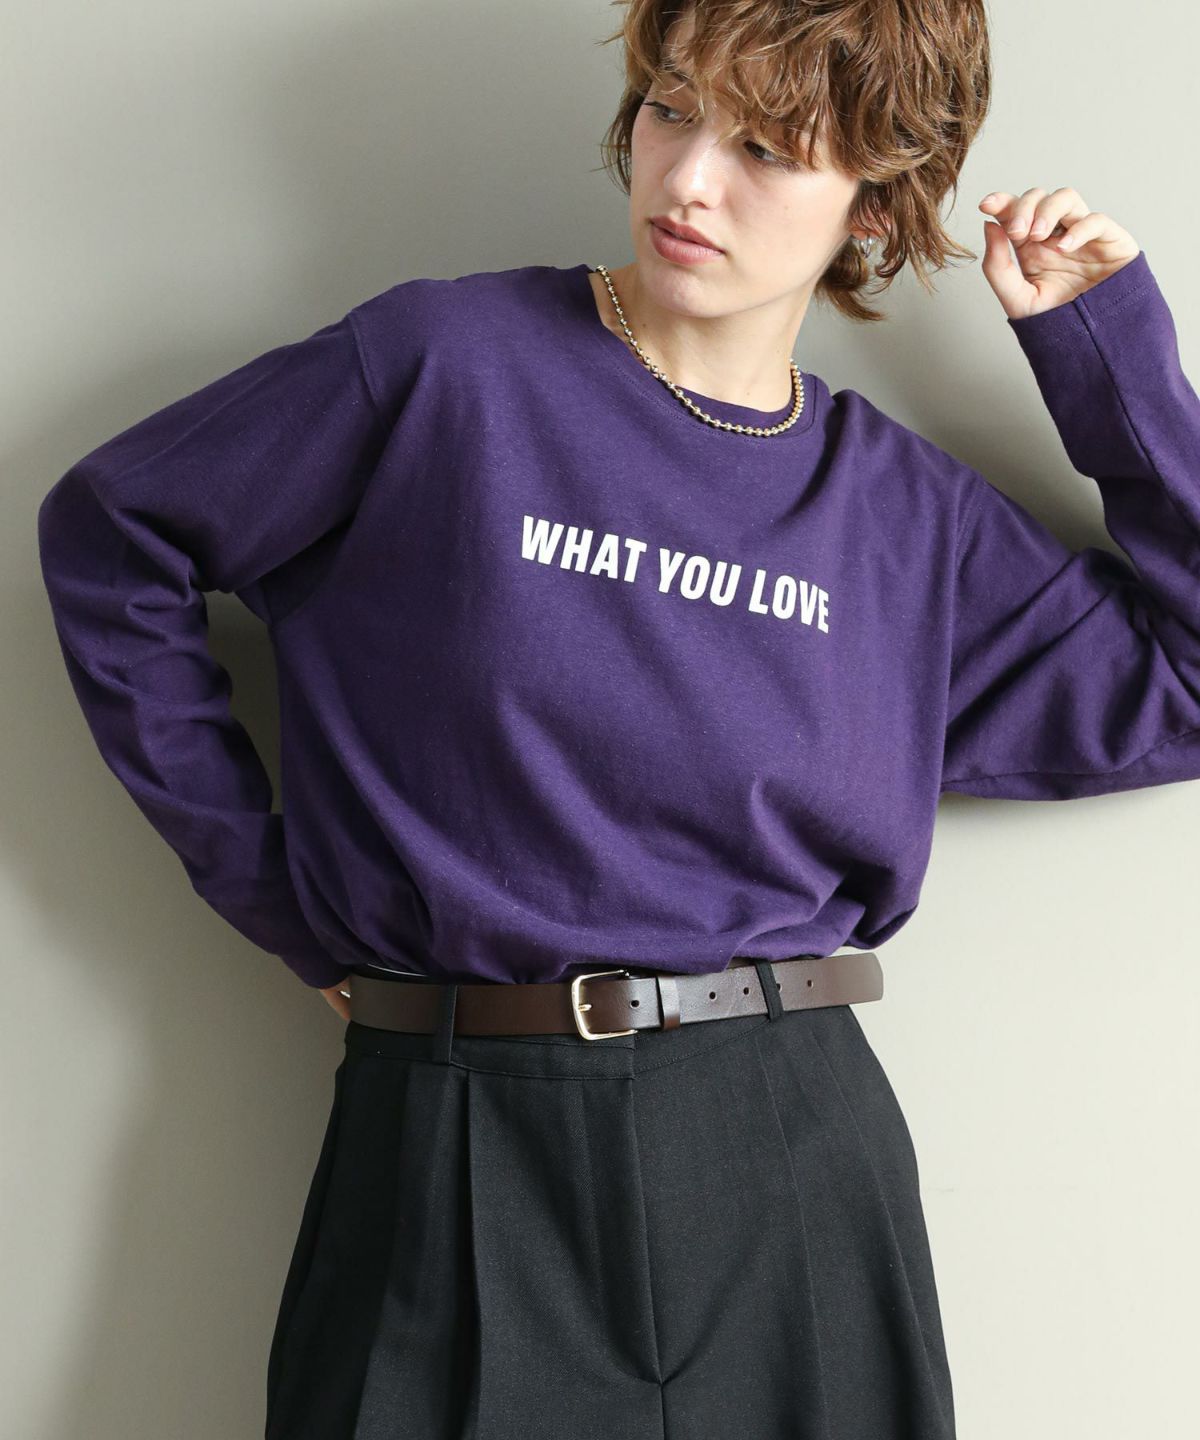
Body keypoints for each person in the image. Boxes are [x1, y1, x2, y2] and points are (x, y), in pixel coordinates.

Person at [34, 1, 1200, 1436]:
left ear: (878, 196)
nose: (688, 179)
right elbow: (114, 534)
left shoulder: (905, 521)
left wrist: (1106, 354)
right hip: (455, 1131)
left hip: (788, 1159)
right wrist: (278, 897)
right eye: (671, 107)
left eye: (768, 148)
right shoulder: (442, 367)